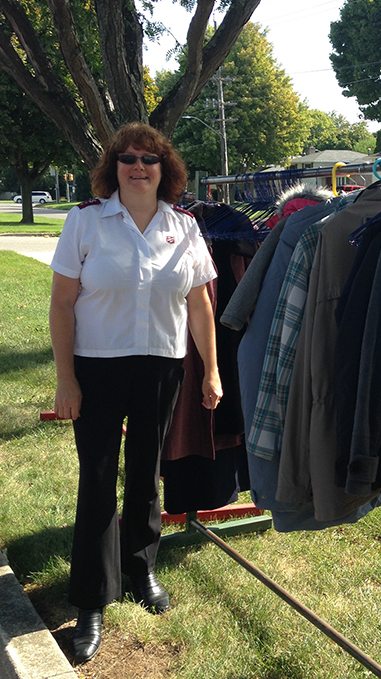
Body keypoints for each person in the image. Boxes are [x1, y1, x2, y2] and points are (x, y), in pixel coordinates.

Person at [49, 123, 221, 664]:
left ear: (165, 168)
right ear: (113, 166)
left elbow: (199, 306)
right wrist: (65, 378)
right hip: (96, 368)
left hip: (161, 367)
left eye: (150, 159)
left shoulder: (185, 227)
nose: (139, 167)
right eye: (128, 158)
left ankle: (141, 566)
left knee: (147, 469)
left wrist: (211, 371)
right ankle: (93, 599)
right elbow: (61, 304)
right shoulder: (85, 221)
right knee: (98, 475)